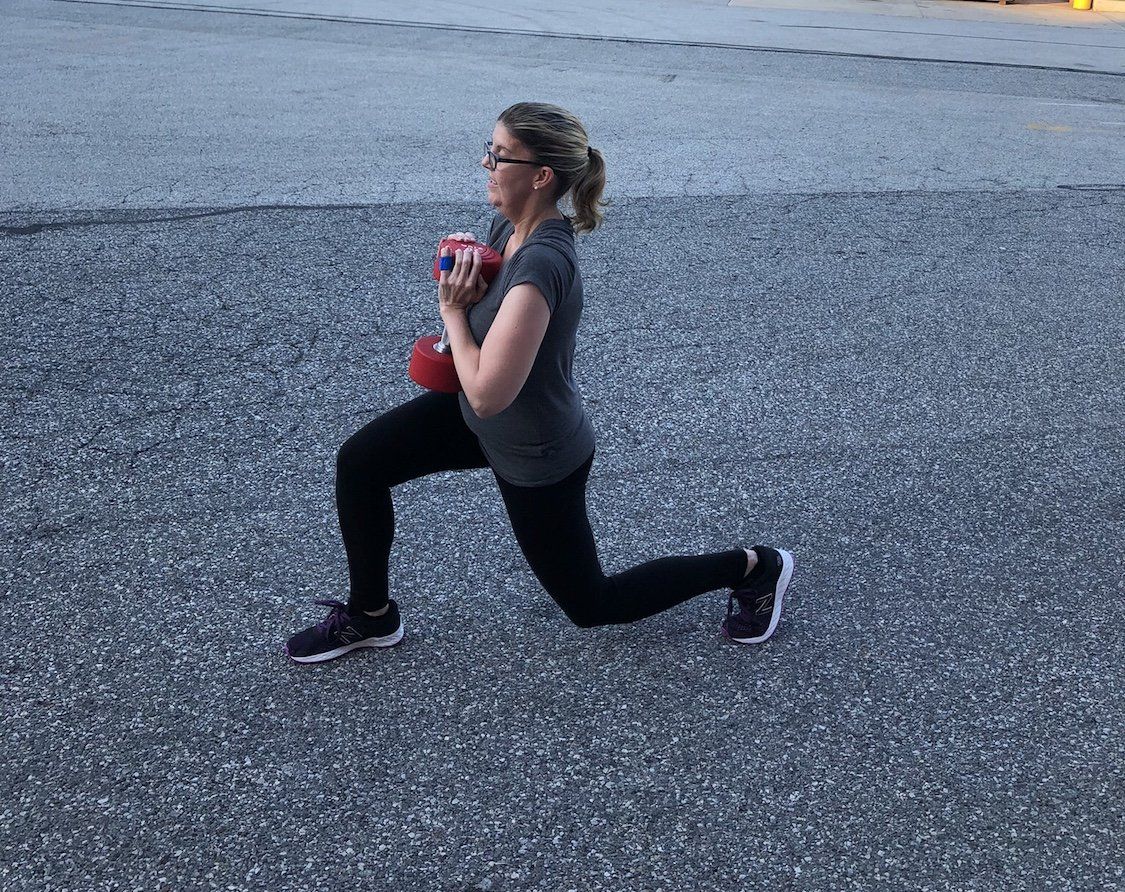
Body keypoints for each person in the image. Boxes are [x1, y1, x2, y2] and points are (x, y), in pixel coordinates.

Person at [285, 102, 794, 664]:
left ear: (541, 176)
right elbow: (489, 338)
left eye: (499, 155)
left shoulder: (543, 265)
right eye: (489, 147)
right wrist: (469, 275)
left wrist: (452, 309)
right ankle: (371, 615)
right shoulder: (508, 225)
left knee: (592, 604)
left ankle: (754, 565)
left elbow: (488, 392)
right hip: (478, 423)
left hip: (535, 447)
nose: (486, 163)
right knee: (361, 463)